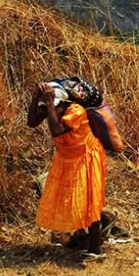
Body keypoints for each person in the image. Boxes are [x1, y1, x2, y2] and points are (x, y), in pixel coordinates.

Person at [27, 79, 107, 259]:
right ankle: (86, 230)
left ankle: (95, 247)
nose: (49, 111)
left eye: (52, 106)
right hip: (66, 159)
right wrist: (35, 99)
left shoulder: (76, 111)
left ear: (63, 103)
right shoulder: (53, 108)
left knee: (89, 200)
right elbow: (32, 122)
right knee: (72, 198)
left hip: (85, 158)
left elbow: (56, 131)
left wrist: (48, 106)